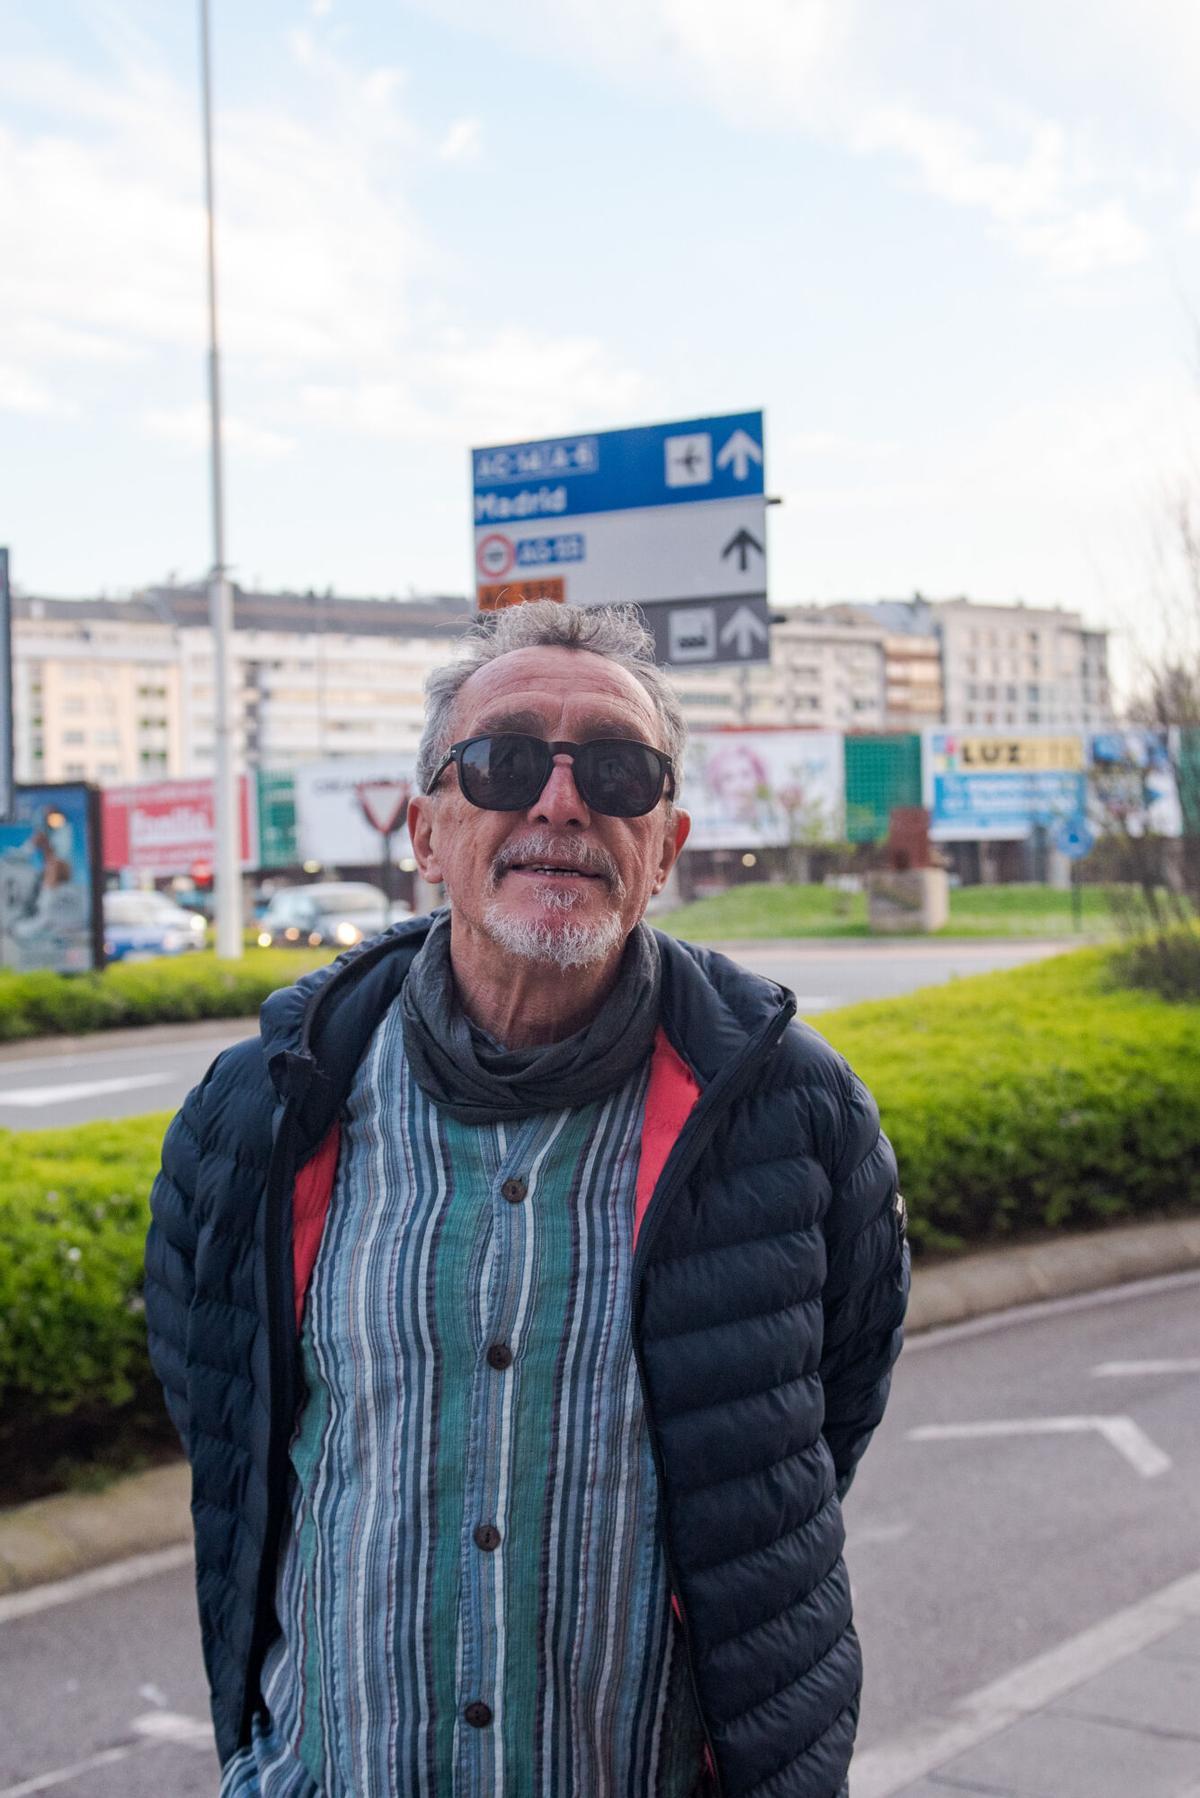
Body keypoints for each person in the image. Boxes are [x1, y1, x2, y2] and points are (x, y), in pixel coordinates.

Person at [145, 601, 908, 1798]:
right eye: (504, 762)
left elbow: (810, 1426)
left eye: (616, 769)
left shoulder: (790, 1115)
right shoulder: (263, 1114)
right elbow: (226, 1421)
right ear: (427, 830)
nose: (560, 803)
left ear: (665, 844)